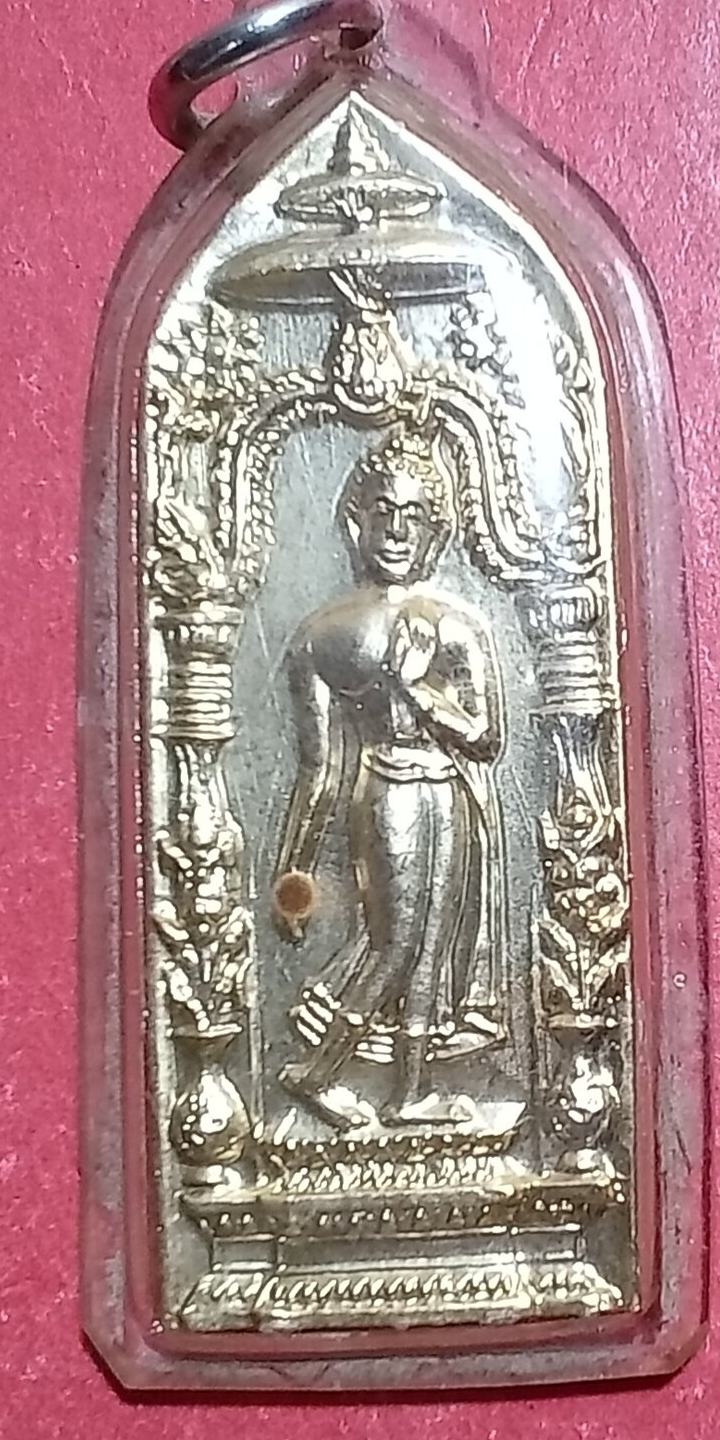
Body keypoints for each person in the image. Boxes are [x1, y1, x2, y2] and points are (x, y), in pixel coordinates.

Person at [273, 427, 508, 1130]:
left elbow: (486, 737)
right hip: (386, 791)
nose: (397, 530)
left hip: (449, 794)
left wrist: (417, 691)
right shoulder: (324, 633)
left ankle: (408, 1093)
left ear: (435, 530)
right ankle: (315, 1072)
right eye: (383, 512)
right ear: (356, 523)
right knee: (395, 944)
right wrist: (294, 873)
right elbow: (318, 769)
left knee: (433, 946)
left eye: (413, 515)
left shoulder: (457, 625)